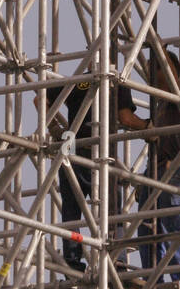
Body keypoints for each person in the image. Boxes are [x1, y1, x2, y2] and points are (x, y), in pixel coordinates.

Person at [45, 73, 147, 272]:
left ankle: (73, 266)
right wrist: (148, 127)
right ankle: (118, 263)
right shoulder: (116, 83)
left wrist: (54, 128)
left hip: (73, 148)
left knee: (72, 214)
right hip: (101, 153)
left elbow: (40, 99)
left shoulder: (78, 82)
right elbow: (125, 118)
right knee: (111, 212)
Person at [136, 47, 180, 289]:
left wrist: (154, 43)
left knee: (175, 226)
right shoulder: (160, 103)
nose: (151, 73)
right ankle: (155, 282)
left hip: (173, 167)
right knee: (146, 227)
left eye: (156, 67)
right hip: (156, 169)